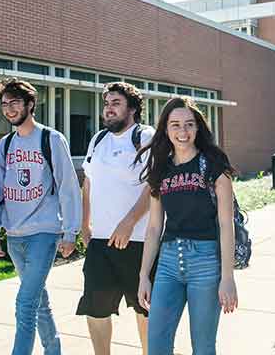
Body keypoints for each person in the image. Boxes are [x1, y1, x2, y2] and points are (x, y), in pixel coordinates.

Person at [136, 97, 239, 355]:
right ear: (166, 129)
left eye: (189, 124)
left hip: (205, 262)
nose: (183, 132)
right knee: (157, 345)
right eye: (175, 125)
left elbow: (226, 224)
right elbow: (153, 228)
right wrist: (143, 275)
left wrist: (228, 277)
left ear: (198, 127)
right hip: (168, 263)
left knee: (203, 347)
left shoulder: (214, 165)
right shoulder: (161, 168)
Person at [0, 77, 81, 355]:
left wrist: (70, 231)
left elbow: (68, 187)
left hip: (44, 232)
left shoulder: (50, 139)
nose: (9, 109)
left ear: (30, 104)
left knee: (25, 304)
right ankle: (54, 350)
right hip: (15, 235)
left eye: (14, 102)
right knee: (38, 300)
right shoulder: (5, 145)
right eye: (4, 104)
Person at [76, 82, 155, 355]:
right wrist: (85, 223)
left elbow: (155, 184)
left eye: (116, 103)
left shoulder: (146, 137)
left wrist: (129, 221)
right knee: (95, 308)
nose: (108, 109)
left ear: (132, 109)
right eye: (106, 104)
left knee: (145, 309)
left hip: (139, 242)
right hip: (101, 242)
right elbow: (88, 183)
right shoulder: (98, 139)